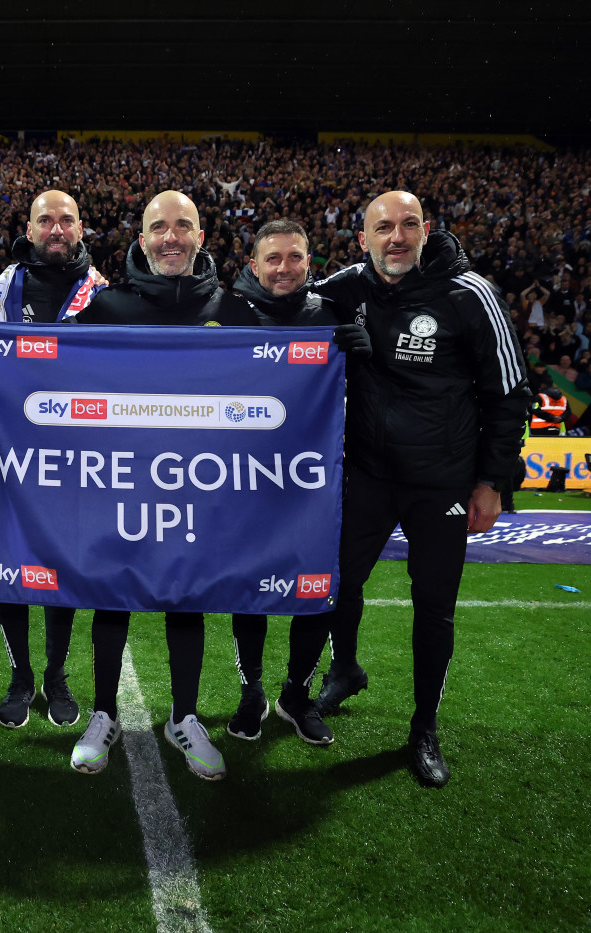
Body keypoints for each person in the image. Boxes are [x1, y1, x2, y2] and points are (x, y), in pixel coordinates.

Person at [279, 191, 530, 788]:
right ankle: (329, 676)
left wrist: (492, 482)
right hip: (367, 474)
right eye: (382, 227)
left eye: (408, 225)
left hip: (441, 481)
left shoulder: (470, 294)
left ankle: (423, 726)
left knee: (434, 609)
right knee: (332, 585)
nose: (396, 237)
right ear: (361, 237)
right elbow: (276, 301)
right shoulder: (345, 289)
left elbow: (510, 393)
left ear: (425, 231)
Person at [68, 190, 257, 782]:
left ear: (201, 237)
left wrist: (333, 355)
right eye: (159, 227)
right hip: (119, 482)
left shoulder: (237, 309)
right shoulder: (104, 308)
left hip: (198, 489)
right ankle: (103, 712)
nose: (171, 237)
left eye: (183, 226)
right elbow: (56, 374)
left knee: (187, 599)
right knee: (110, 597)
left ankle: (183, 716)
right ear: (141, 237)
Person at [220, 219, 370, 746]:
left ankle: (297, 693)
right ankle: (251, 689)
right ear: (254, 264)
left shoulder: (331, 315)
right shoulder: (227, 314)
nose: (284, 269)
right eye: (273, 259)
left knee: (316, 590)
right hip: (245, 479)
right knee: (248, 590)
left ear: (310, 263)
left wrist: (360, 355)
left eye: (295, 258)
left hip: (314, 485)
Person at [0, 189, 106, 729]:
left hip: (76, 462)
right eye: (45, 221)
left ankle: (55, 676)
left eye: (66, 220)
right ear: (29, 229)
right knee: (8, 566)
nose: (56, 229)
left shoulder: (102, 294)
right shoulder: (3, 287)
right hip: (10, 456)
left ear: (81, 229)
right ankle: (19, 676)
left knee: (61, 572)